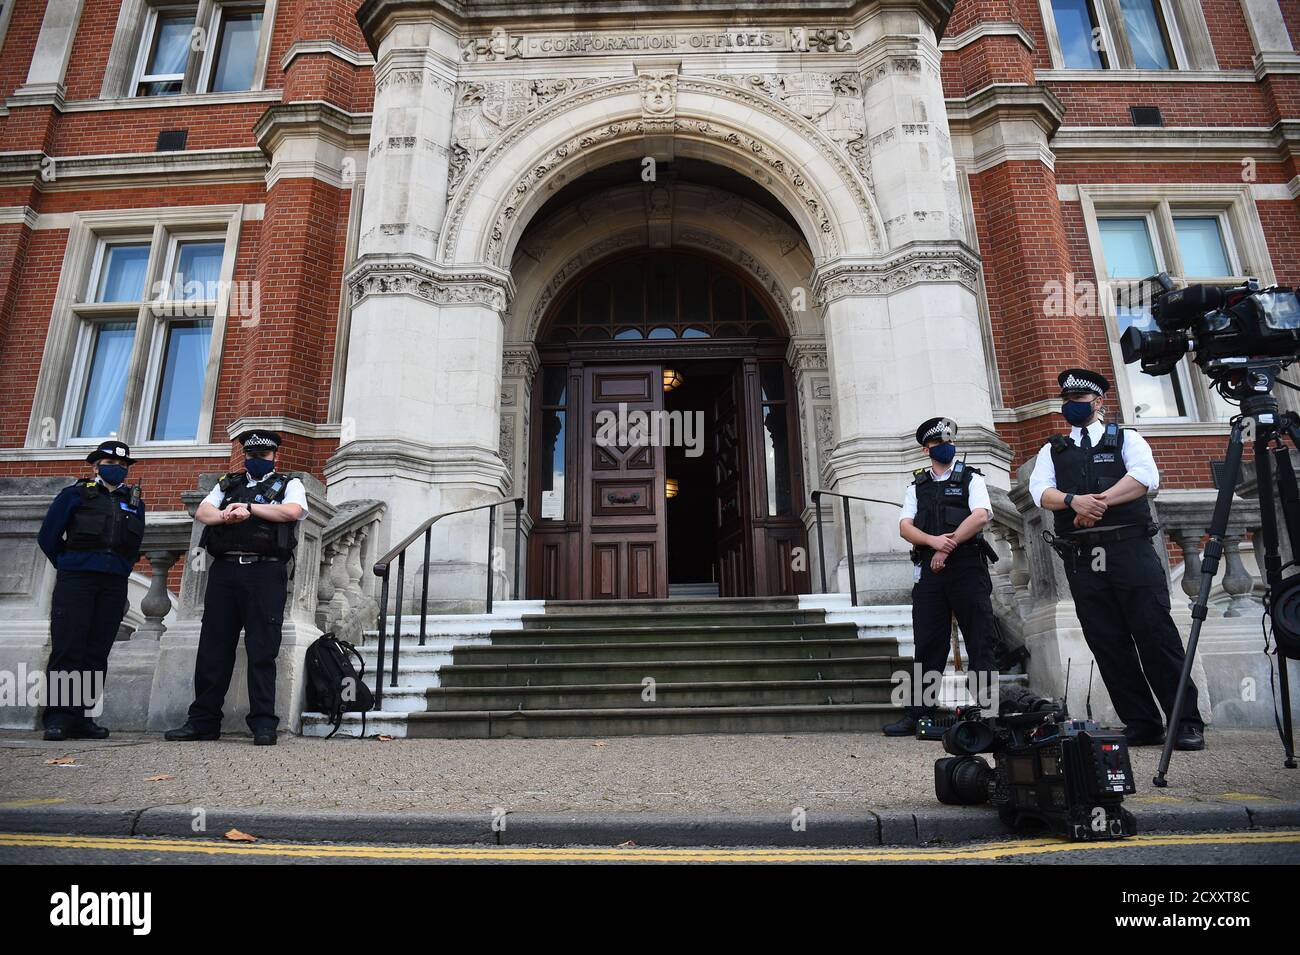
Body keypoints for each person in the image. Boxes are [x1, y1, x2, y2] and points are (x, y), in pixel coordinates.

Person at [1028, 368, 1204, 750]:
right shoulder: (1052, 450)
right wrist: (1075, 502)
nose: (1072, 406)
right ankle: (1141, 722)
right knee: (1107, 641)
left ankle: (1184, 721)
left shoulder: (1127, 438)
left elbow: (1144, 478)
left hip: (1129, 550)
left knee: (1155, 636)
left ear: (1098, 402)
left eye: (1079, 400)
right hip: (1083, 556)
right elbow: (1041, 491)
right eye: (1068, 401)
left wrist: (1097, 503)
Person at [165, 431, 307, 745]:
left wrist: (251, 509)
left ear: (274, 457)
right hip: (225, 572)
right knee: (213, 649)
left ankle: (263, 724)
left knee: (262, 649)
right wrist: (226, 515)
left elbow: (292, 511)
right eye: (251, 455)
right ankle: (202, 721)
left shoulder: (289, 484)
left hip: (265, 572)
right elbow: (203, 512)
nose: (256, 460)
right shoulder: (227, 482)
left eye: (263, 456)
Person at [884, 417, 998, 737]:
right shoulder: (916, 486)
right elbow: (905, 527)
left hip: (966, 567)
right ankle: (918, 713)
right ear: (926, 449)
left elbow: (980, 516)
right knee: (928, 644)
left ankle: (989, 713)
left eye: (949, 440)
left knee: (980, 640)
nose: (945, 446)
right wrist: (933, 542)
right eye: (938, 443)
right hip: (929, 574)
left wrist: (946, 547)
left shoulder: (971, 479)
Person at [37, 440, 145, 741]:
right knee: (69, 647)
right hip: (77, 580)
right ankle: (59, 717)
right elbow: (48, 537)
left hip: (112, 583)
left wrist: (121, 569)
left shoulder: (134, 502)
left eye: (123, 466)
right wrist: (69, 563)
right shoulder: (75, 495)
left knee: (97, 651)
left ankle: (82, 716)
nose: (118, 469)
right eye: (112, 464)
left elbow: (133, 545)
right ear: (96, 466)